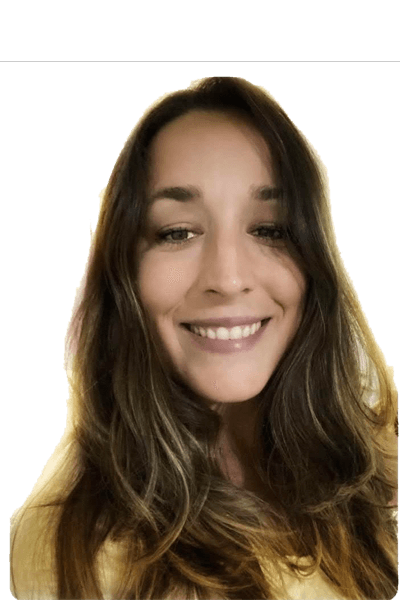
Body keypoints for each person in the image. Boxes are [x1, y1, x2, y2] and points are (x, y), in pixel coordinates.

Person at [10, 76, 398, 600]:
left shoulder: (370, 463)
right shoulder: (77, 550)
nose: (228, 278)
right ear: (125, 272)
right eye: (177, 232)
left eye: (270, 229)